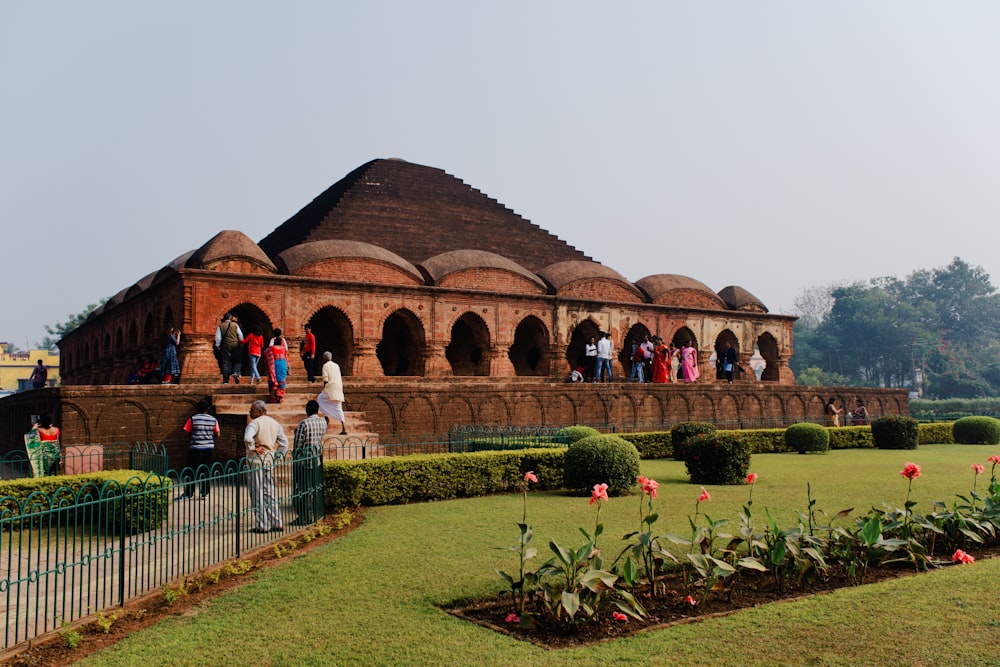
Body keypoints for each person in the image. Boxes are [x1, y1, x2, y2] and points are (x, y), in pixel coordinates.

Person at [244, 399, 288, 533]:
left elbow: (247, 438)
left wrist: (253, 447)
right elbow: (284, 443)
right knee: (269, 492)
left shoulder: (254, 424)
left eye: (252, 410)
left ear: (259, 411)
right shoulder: (275, 423)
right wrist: (277, 457)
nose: (250, 412)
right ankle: (277, 522)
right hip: (268, 461)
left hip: (256, 461)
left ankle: (262, 525)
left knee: (257, 493)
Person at [292, 399, 327, 525]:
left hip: (305, 461)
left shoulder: (304, 423)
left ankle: (305, 517)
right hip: (316, 458)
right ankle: (316, 513)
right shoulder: (323, 422)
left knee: (304, 490)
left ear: (307, 410)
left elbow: (298, 444)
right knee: (315, 488)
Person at [177, 398, 219, 500]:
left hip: (195, 448)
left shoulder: (192, 419)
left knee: (191, 471)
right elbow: (218, 433)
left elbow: (186, 431)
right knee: (206, 470)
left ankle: (188, 493)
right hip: (208, 448)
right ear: (208, 408)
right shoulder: (213, 420)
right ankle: (205, 493)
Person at [317, 351, 348, 435]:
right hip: (338, 388)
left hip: (330, 388)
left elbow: (325, 380)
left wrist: (324, 388)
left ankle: (326, 417)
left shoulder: (325, 366)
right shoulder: (336, 365)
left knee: (320, 399)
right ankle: (344, 427)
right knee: (338, 407)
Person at [215, 313, 244, 384]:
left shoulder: (221, 326)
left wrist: (218, 345)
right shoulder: (235, 325)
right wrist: (241, 343)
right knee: (238, 360)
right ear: (230, 318)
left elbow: (218, 337)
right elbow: (240, 335)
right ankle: (236, 372)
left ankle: (225, 380)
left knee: (225, 362)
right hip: (235, 344)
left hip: (225, 345)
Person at [265, 328, 289, 403]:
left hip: (274, 365)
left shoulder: (271, 348)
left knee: (273, 380)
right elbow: (286, 355)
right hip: (283, 365)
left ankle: (273, 396)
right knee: (282, 380)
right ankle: (280, 396)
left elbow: (266, 352)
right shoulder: (283, 348)